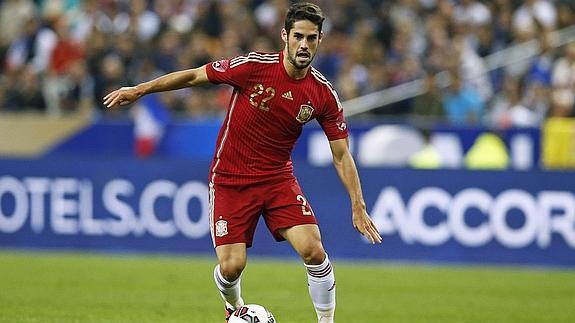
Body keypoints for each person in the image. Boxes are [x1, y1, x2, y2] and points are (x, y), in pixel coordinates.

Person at [104, 3, 382, 322]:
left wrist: (357, 205)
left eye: (312, 38)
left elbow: (341, 154)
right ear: (285, 37)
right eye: (298, 37)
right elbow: (196, 75)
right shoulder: (253, 67)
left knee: (314, 251)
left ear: (320, 40)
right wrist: (140, 90)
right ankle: (234, 307)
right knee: (232, 266)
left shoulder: (322, 94)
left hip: (278, 179)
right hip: (230, 179)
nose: (304, 45)